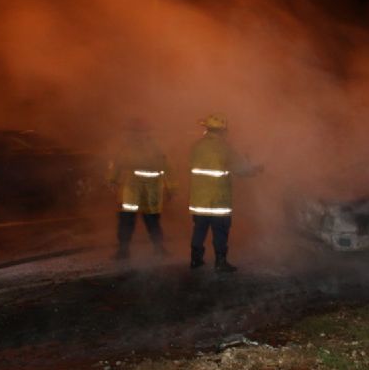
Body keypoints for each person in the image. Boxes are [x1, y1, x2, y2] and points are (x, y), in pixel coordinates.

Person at [188, 113, 262, 273]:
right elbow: (241, 169)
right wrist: (254, 170)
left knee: (199, 229)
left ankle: (195, 260)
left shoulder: (196, 146)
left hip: (199, 200)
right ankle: (220, 262)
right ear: (222, 131)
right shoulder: (225, 148)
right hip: (218, 200)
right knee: (220, 230)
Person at [106, 118, 174, 259]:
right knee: (128, 220)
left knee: (150, 221)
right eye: (136, 131)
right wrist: (112, 180)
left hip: (144, 190)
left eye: (140, 131)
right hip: (135, 190)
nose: (138, 134)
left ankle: (157, 248)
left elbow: (167, 168)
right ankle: (125, 250)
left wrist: (172, 188)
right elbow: (117, 164)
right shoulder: (130, 147)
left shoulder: (155, 147)